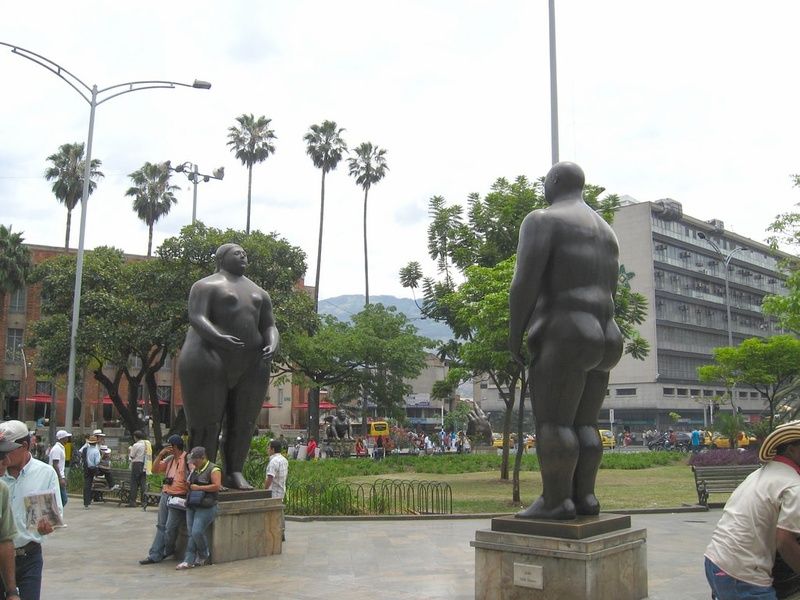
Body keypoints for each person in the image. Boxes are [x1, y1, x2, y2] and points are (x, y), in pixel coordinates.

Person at [509, 161, 623, 521]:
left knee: (555, 424)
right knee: (586, 425)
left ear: (554, 182)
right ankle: (585, 498)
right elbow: (613, 289)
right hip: (606, 333)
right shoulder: (607, 233)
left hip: (567, 330)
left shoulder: (542, 219)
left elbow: (524, 282)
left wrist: (515, 333)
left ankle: (557, 501)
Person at [178, 243, 279, 490]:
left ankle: (234, 471)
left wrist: (272, 343)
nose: (243, 255)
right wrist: (218, 337)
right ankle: (202, 472)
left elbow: (268, 325)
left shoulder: (259, 293)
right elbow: (197, 317)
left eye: (245, 253)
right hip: (208, 357)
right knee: (206, 423)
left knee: (244, 422)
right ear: (222, 258)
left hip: (251, 362)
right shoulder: (205, 286)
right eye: (237, 252)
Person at [705, 420, 800, 598]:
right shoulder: (793, 485)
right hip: (742, 574)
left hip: (717, 561)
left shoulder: (761, 473)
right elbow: (784, 541)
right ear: (791, 448)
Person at [0, 420, 62, 600]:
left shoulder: (45, 473)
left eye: (7, 451)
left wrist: (48, 526)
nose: (4, 458)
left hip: (28, 555)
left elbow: (54, 516)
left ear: (25, 446)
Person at [140, 435, 188, 565]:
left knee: (170, 527)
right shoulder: (169, 459)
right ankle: (155, 554)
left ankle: (169, 549)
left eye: (169, 446)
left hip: (178, 497)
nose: (168, 448)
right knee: (161, 526)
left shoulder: (187, 460)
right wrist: (160, 455)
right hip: (166, 494)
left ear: (174, 447)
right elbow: (154, 470)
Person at [176, 447, 221, 570]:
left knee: (197, 531)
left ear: (202, 458)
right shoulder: (195, 470)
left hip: (206, 505)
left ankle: (203, 553)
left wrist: (199, 488)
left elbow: (217, 486)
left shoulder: (213, 469)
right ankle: (188, 560)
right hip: (192, 504)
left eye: (195, 460)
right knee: (191, 533)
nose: (193, 463)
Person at [0, 436, 21, 600]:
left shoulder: (2, 490)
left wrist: (12, 591)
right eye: (0, 456)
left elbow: (6, 541)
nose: (6, 461)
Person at [264, 439, 288, 542]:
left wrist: (264, 489)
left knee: (273, 514)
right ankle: (281, 531)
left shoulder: (274, 461)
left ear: (273, 449)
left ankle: (274, 533)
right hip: (281, 490)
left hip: (273, 491)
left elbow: (270, 478)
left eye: (268, 448)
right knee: (280, 512)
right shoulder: (284, 460)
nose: (267, 450)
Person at [48, 430, 70, 507]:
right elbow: (55, 464)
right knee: (63, 499)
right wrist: (60, 478)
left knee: (60, 499)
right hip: (56, 477)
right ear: (62, 438)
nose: (67, 439)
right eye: (66, 437)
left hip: (59, 476)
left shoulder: (61, 448)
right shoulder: (57, 449)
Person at [128, 430, 149, 509]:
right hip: (144, 464)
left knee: (134, 483)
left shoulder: (136, 445)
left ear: (135, 437)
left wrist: (130, 450)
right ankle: (144, 501)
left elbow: (132, 456)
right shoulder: (145, 444)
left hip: (136, 464)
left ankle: (133, 501)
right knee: (143, 483)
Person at [82, 435, 101, 508]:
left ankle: (86, 502)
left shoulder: (85, 449)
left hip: (86, 468)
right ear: (95, 443)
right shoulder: (96, 451)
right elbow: (97, 462)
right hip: (94, 469)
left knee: (87, 485)